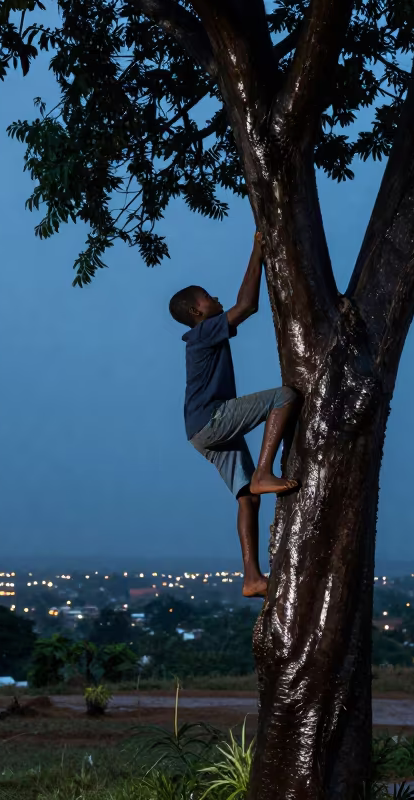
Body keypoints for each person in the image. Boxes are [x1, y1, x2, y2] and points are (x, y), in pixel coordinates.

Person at [169, 231, 299, 598]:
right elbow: (247, 305)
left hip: (199, 433)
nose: (215, 299)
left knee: (248, 498)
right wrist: (257, 251)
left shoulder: (202, 335)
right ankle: (263, 471)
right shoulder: (203, 332)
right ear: (198, 312)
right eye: (208, 298)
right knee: (285, 396)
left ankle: (252, 579)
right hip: (212, 419)